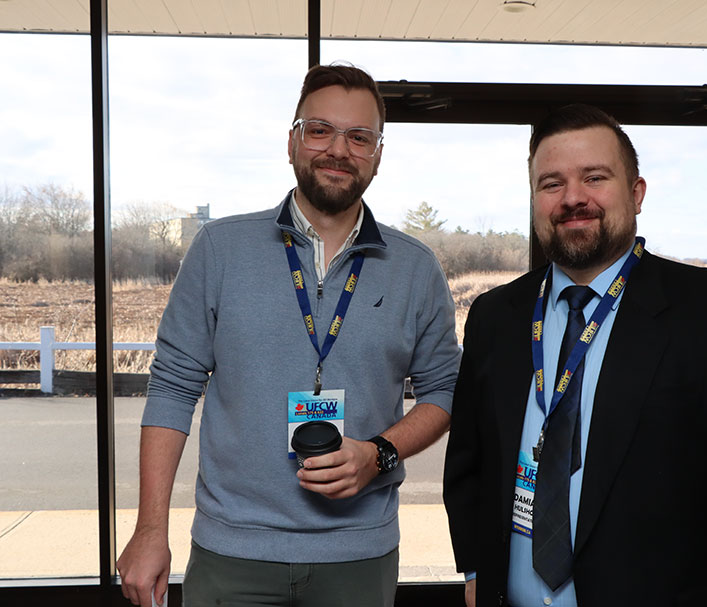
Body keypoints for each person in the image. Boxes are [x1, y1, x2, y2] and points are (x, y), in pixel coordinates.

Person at [117, 63, 461, 607]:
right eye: (320, 130)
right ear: (292, 141)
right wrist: (149, 529)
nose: (338, 149)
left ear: (377, 154)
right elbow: (173, 388)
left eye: (359, 136)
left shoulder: (416, 268)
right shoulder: (220, 250)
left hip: (359, 555)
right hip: (232, 551)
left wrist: (379, 454)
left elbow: (444, 391)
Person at [443, 103, 707, 607]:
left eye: (594, 178)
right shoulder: (494, 316)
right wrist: (474, 568)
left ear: (637, 193)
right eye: (551, 183)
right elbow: (468, 457)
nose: (573, 198)